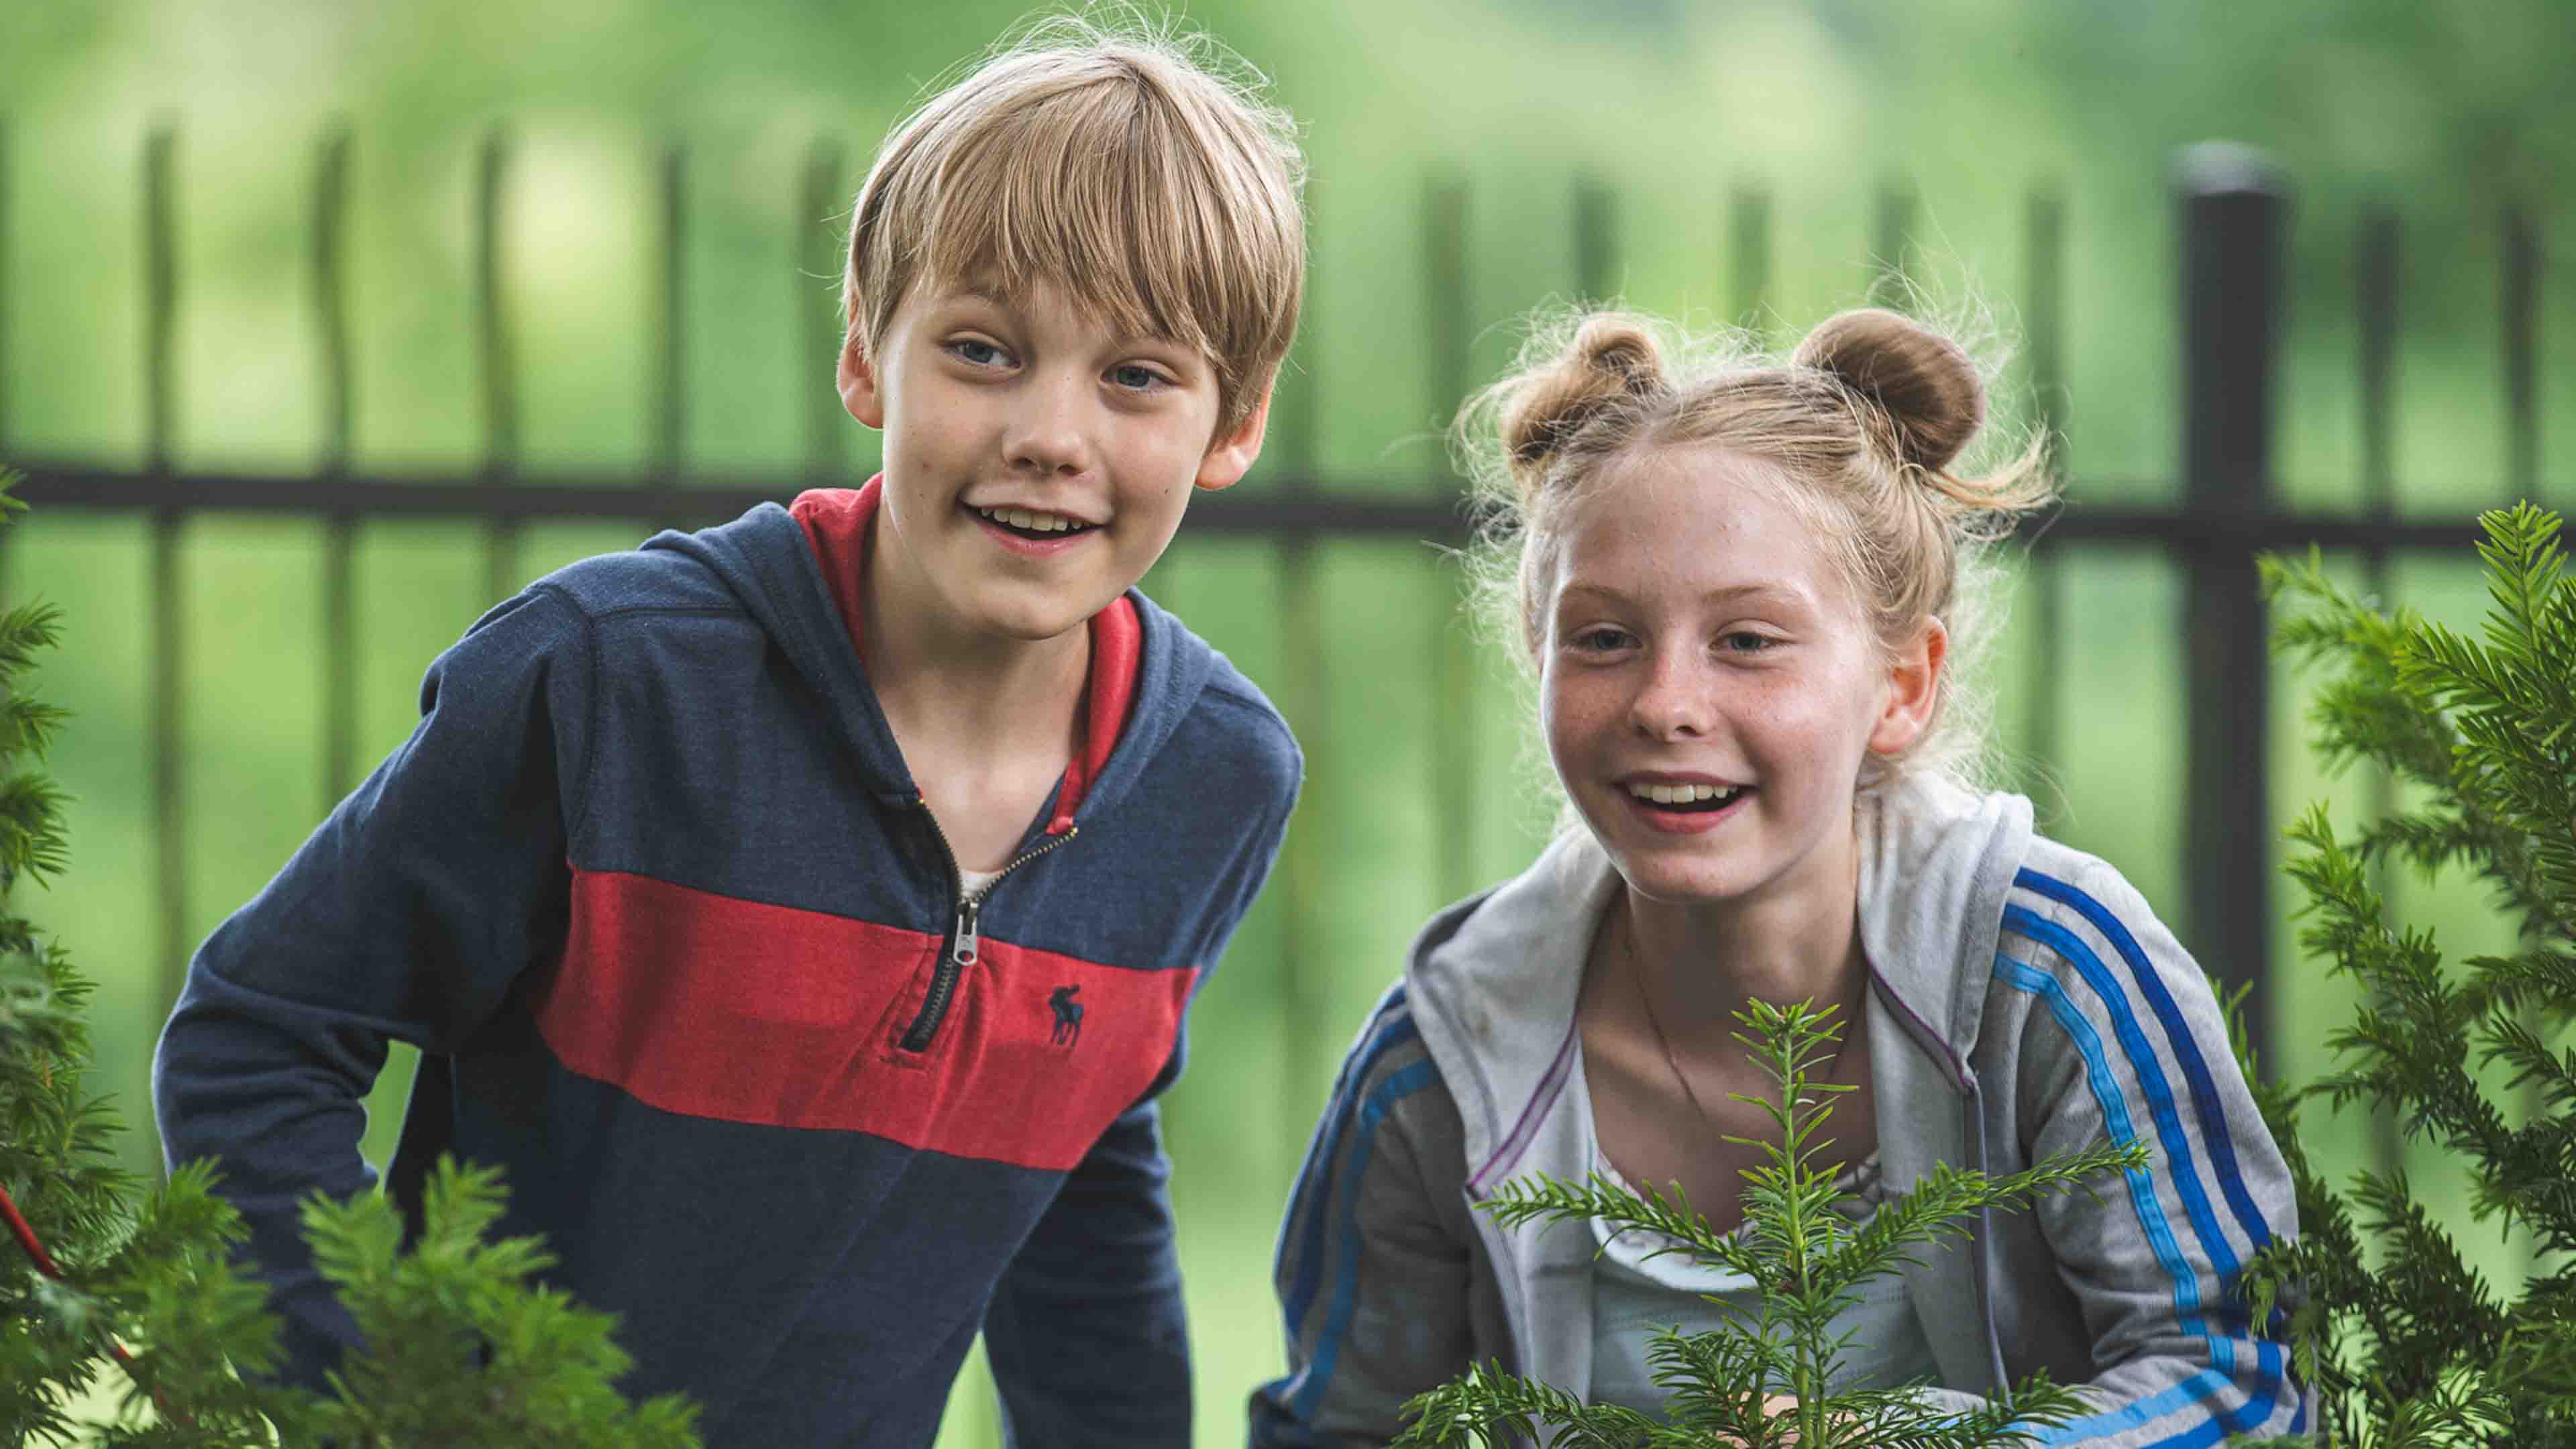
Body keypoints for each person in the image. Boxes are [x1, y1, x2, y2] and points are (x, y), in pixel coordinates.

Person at [154, 16, 1306, 1447]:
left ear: (1235, 423)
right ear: (867, 361)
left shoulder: (1214, 781)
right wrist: (380, 1399)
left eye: (1137, 376)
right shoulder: (610, 683)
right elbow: (256, 1038)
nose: (1050, 434)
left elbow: (1080, 1171)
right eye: (983, 351)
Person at [1252, 307, 2307, 1444]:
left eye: (1748, 641)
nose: (1666, 703)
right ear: (1540, 660)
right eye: (1604, 639)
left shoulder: (2053, 973)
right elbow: (1339, 1431)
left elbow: (2240, 1382)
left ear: (1903, 687)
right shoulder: (1439, 1066)